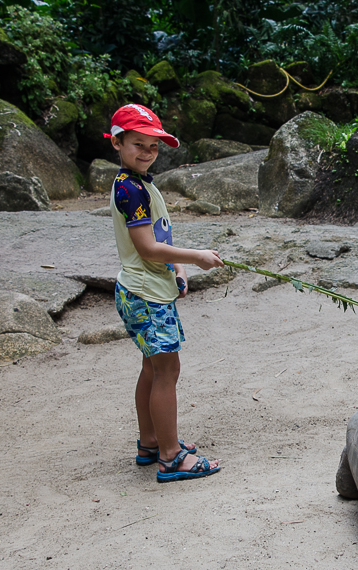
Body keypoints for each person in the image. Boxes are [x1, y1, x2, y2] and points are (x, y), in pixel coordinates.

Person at [106, 103, 224, 482]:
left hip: (147, 287)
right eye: (137, 143)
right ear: (117, 143)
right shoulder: (129, 190)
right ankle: (172, 457)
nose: (146, 152)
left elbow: (158, 237)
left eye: (153, 146)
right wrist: (196, 256)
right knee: (167, 369)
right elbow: (147, 248)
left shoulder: (139, 183)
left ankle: (151, 441)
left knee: (152, 366)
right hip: (145, 293)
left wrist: (178, 266)